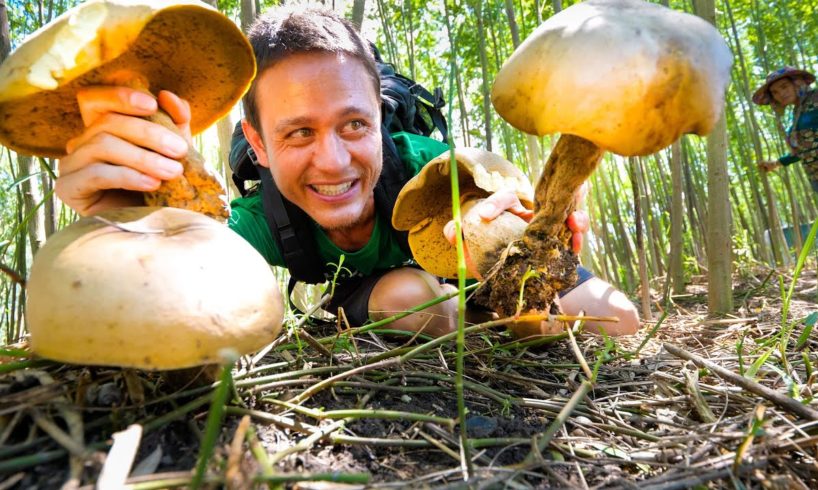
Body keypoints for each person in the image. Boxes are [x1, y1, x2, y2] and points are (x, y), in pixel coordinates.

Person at [55, 7, 638, 339]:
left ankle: (486, 324)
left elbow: (490, 187)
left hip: (473, 284)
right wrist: (115, 221)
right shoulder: (264, 221)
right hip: (386, 297)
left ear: (380, 120)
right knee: (411, 299)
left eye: (354, 126)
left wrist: (519, 246)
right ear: (256, 143)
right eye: (298, 132)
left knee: (612, 316)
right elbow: (172, 290)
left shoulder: (424, 164)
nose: (333, 162)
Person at [753, 66, 818, 193]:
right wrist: (776, 163)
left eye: (784, 87)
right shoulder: (796, 113)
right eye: (775, 92)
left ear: (797, 83)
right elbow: (803, 148)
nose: (781, 94)